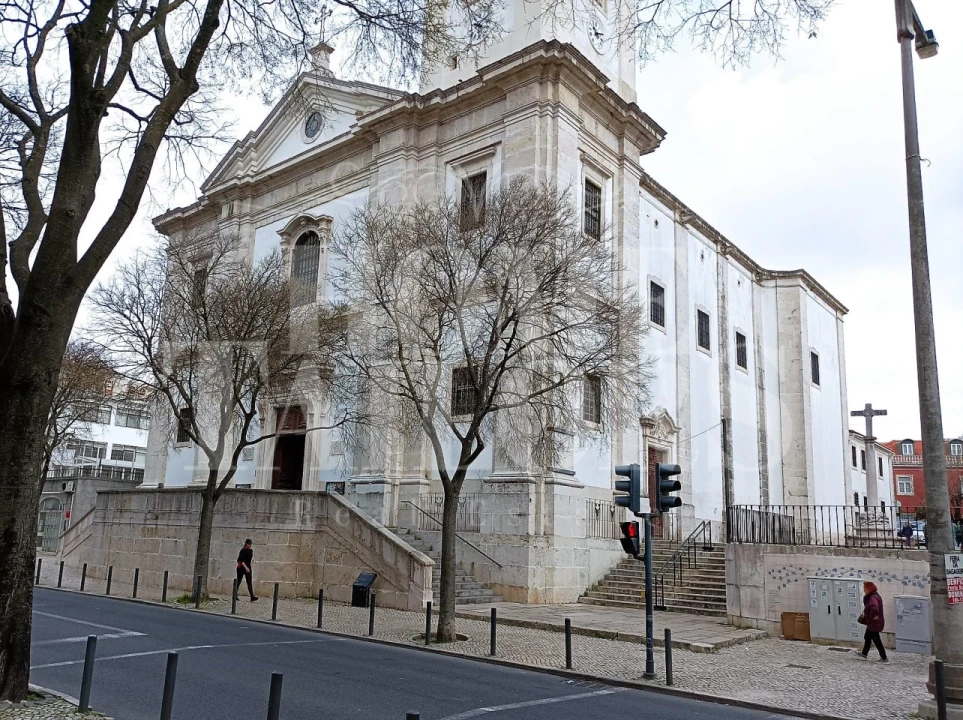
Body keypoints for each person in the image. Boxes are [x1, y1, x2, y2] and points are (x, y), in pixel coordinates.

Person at [856, 581, 887, 662]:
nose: (864, 590)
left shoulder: (872, 598)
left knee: (877, 640)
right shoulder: (875, 596)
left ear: (869, 589)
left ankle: (884, 658)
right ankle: (864, 654)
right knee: (867, 637)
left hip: (874, 623)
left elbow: (875, 608)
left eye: (865, 588)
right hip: (873, 623)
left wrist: (872, 616)